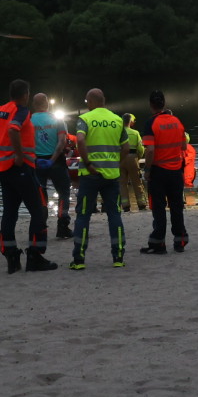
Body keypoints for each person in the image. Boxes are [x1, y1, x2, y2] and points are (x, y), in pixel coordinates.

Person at [0, 79, 57, 273]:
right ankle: (35, 256)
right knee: (39, 211)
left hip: (3, 169)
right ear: (26, 95)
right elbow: (13, 129)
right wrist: (18, 154)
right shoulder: (21, 111)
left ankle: (11, 256)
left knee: (9, 212)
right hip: (21, 168)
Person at [69, 88, 127, 270]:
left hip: (90, 175)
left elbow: (79, 141)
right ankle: (118, 257)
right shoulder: (117, 120)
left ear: (90, 102)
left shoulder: (85, 119)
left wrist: (88, 162)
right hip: (111, 176)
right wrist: (116, 162)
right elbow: (126, 147)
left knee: (83, 216)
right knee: (114, 215)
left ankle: (79, 259)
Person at [140, 89, 189, 254]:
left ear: (151, 105)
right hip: (176, 171)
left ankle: (158, 243)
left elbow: (150, 151)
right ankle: (180, 240)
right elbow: (183, 146)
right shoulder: (177, 121)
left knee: (158, 208)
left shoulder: (150, 123)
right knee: (177, 207)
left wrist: (147, 170)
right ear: (164, 103)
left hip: (159, 171)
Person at [31, 93, 73, 240]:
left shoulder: (29, 121)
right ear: (47, 103)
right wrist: (52, 159)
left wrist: (36, 159)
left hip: (37, 163)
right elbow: (62, 142)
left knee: (41, 195)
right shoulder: (56, 119)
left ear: (34, 105)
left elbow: (26, 144)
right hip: (56, 162)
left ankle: (41, 226)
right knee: (63, 193)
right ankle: (62, 226)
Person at [118, 113, 147, 212]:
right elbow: (141, 148)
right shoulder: (135, 133)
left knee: (122, 183)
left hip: (120, 158)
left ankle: (125, 206)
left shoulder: (118, 132)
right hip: (132, 157)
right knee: (137, 182)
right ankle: (142, 204)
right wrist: (138, 157)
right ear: (130, 122)